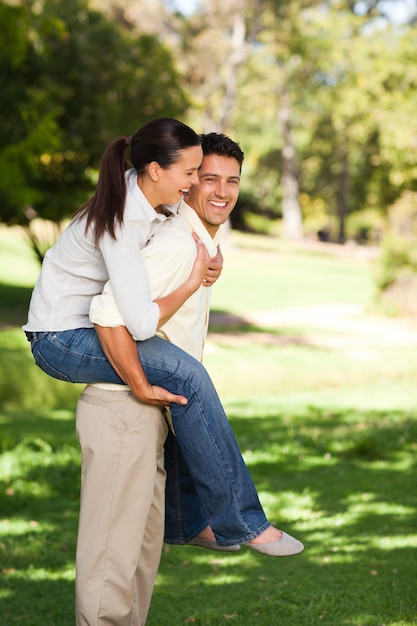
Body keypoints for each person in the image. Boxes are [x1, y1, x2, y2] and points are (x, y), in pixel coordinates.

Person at [23, 119, 303, 556]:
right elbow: (131, 322)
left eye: (225, 179)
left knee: (180, 375)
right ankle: (243, 522)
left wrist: (208, 256)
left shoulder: (150, 194)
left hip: (74, 325)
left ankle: (185, 520)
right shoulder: (124, 222)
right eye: (195, 175)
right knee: (188, 376)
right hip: (61, 336)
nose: (199, 185)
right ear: (157, 169)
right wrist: (190, 282)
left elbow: (186, 222)